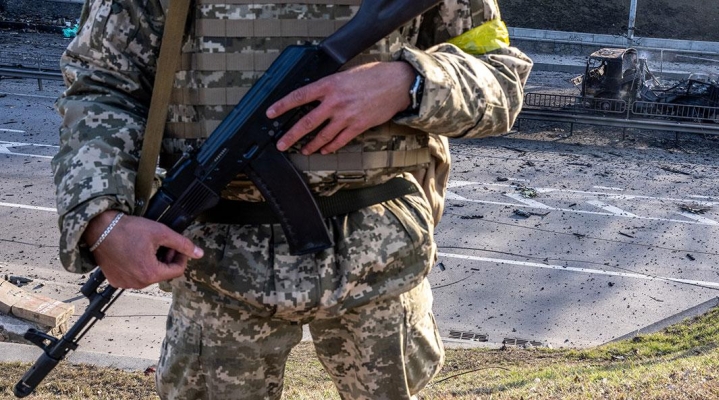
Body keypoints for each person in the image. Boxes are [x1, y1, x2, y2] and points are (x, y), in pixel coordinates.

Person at [52, 0, 532, 398]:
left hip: (382, 258)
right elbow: (101, 85)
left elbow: (502, 79)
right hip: (216, 262)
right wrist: (102, 219)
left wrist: (409, 83)